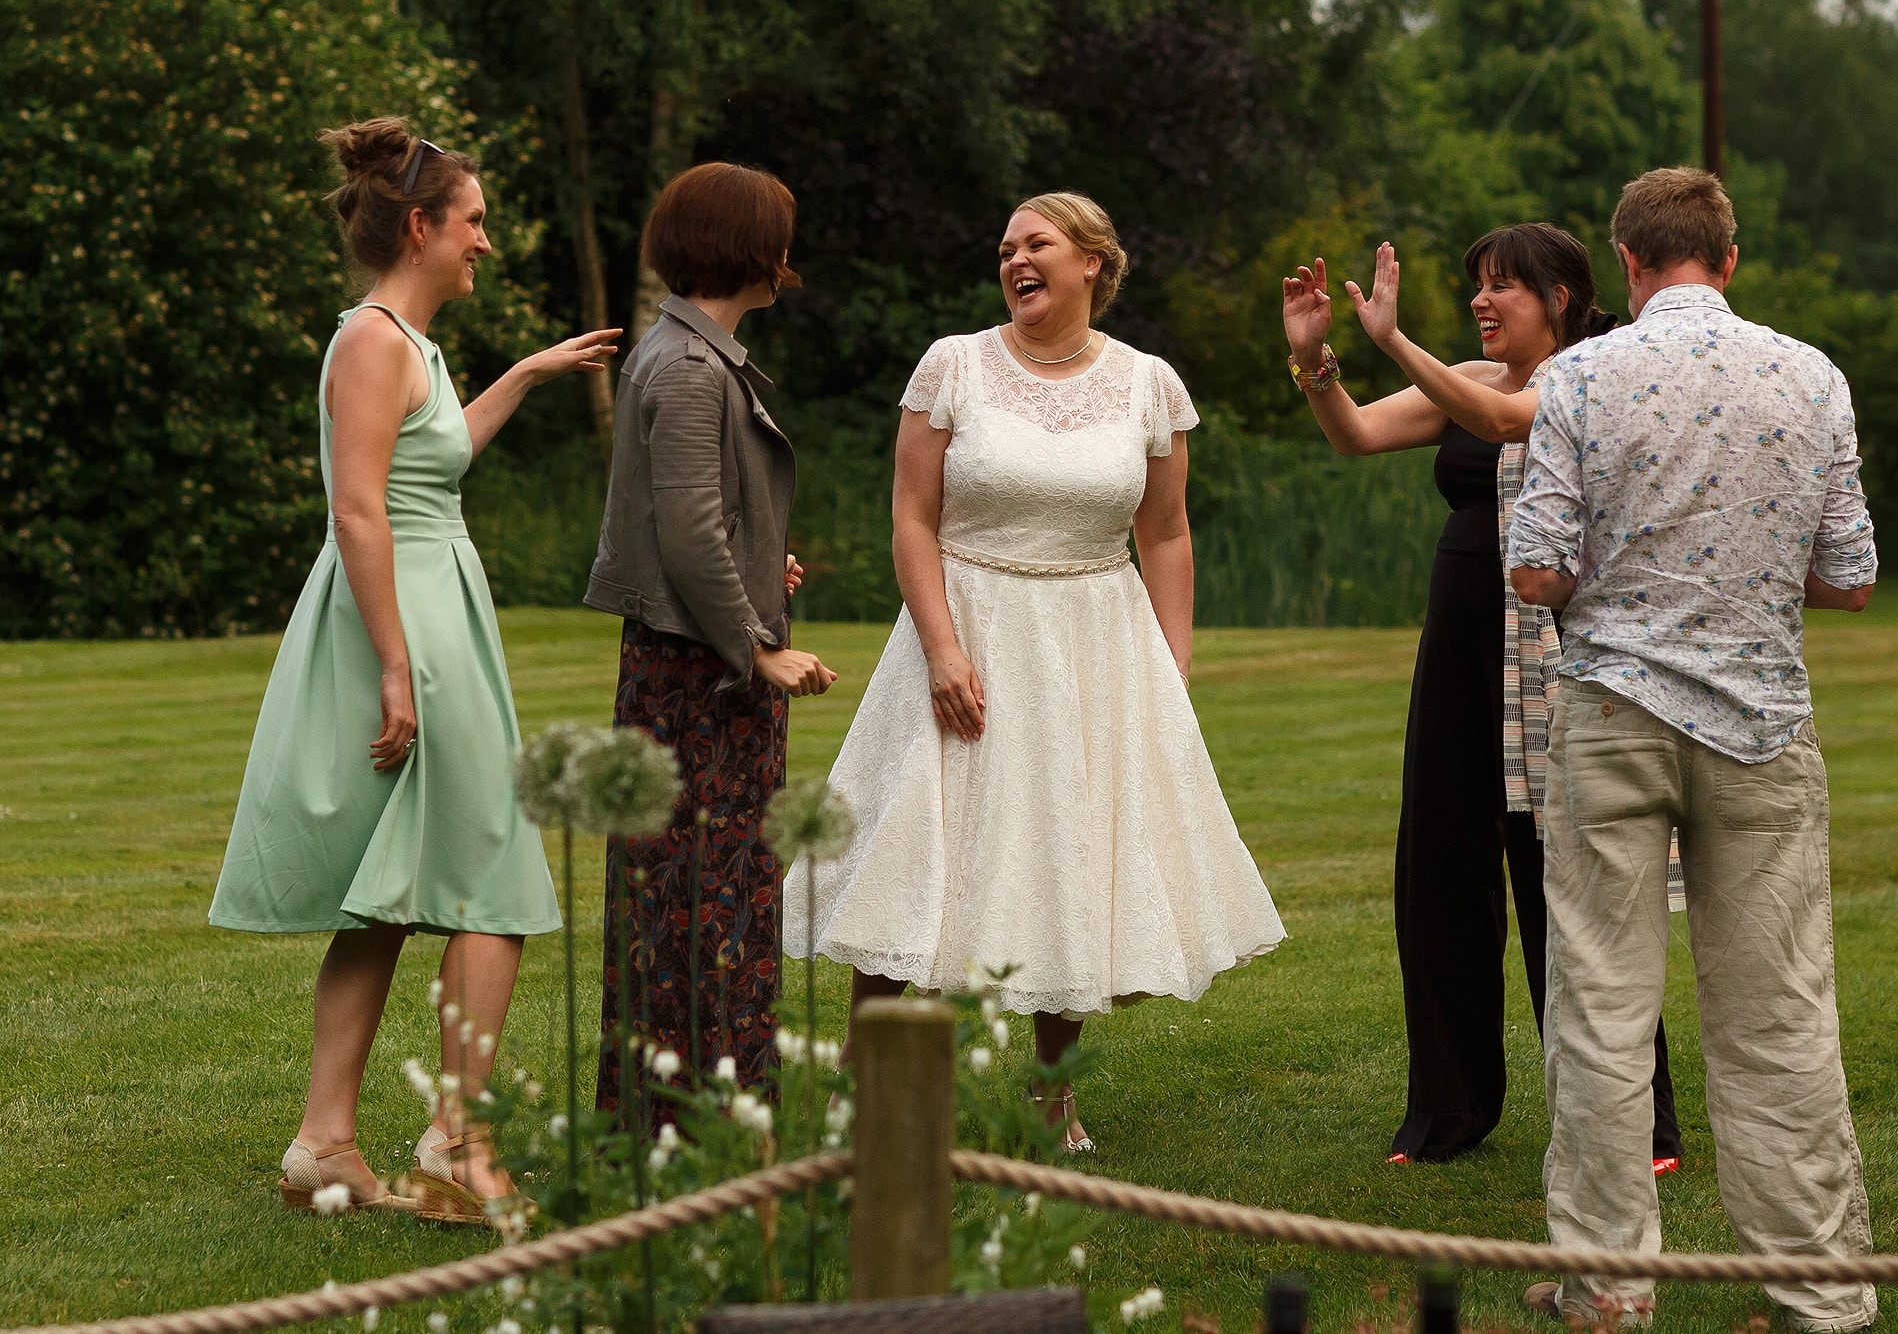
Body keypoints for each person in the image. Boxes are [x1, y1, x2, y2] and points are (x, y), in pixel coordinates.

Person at [786, 193, 1285, 1151]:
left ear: (1093, 261)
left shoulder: (1150, 384)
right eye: (1006, 249)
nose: (1015, 260)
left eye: (1036, 244)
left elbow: (1168, 531)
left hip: (1094, 638)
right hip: (966, 617)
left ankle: (1054, 1096)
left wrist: (1169, 670)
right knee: (917, 847)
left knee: (1070, 852)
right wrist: (940, 646)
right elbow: (912, 517)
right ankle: (870, 1085)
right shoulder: (953, 365)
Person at [211, 117, 620, 1222]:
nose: (485, 242)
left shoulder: (409, 344)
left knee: (383, 901)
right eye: (474, 222)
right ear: (419, 224)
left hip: (432, 603)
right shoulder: (373, 341)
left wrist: (524, 376)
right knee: (495, 879)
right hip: (405, 624)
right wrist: (397, 666)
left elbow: (426, 472)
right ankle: (456, 1140)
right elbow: (358, 507)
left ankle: (324, 1146)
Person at [1510, 168, 1878, 1331]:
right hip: (1761, 723)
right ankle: (1819, 1294)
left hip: (1611, 715)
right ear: (1727, 257)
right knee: (1777, 1013)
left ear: (1624, 260)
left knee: (1600, 1011)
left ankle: (1609, 1290)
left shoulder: (1575, 375)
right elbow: (1850, 576)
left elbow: (1532, 571)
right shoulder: (1809, 376)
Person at [1280, 223, 1682, 1167]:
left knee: (1572, 883)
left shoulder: (1596, 378)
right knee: (1441, 875)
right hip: (1460, 647)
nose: (1481, 301)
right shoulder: (1469, 377)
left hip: (1558, 654)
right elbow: (1360, 434)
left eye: (1502, 285)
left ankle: (1636, 1119)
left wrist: (1391, 340)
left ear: (1560, 298)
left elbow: (1508, 423)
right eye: (1477, 286)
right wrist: (1316, 364)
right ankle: (1449, 1114)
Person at [585, 162, 835, 1113]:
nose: (787, 257)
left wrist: (764, 564)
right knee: (704, 901)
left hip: (686, 669)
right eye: (779, 237)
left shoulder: (680, 355)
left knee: (682, 898)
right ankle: (703, 1121)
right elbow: (688, 531)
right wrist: (757, 644)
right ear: (751, 251)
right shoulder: (692, 368)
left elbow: (698, 523)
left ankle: (669, 1113)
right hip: (698, 682)